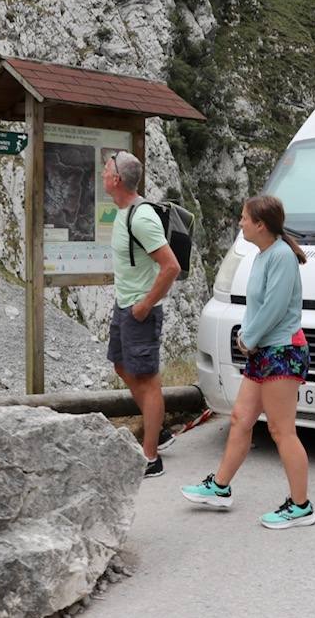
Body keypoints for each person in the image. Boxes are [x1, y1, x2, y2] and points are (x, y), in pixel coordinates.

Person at [181, 195, 315, 530]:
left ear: (261, 224)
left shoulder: (281, 256)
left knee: (281, 431)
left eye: (244, 218)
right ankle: (220, 488)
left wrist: (247, 338)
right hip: (264, 351)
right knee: (241, 418)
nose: (240, 223)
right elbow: (260, 307)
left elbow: (274, 307)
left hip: (281, 352)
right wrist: (249, 335)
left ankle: (301, 507)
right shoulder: (264, 254)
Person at [102, 152, 181, 478]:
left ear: (117, 179)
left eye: (107, 168)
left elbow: (171, 266)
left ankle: (151, 458)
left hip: (139, 311)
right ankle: (156, 426)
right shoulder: (123, 212)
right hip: (126, 307)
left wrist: (146, 304)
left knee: (148, 383)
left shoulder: (141, 217)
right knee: (121, 365)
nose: (103, 171)